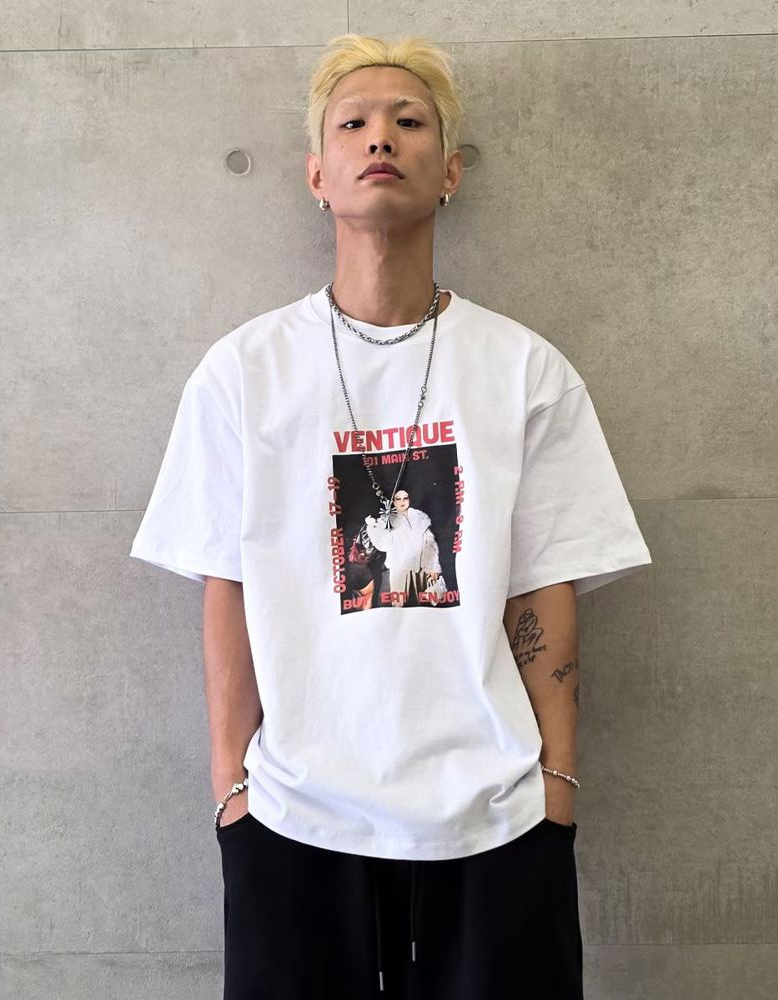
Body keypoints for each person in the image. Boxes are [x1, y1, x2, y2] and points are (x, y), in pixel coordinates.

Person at [129, 32, 653, 1000]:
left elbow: (546, 585)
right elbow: (225, 582)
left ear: (449, 172)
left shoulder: (523, 370)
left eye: (409, 121)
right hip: (292, 811)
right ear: (316, 175)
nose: (381, 137)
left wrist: (557, 787)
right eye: (354, 123)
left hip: (495, 812)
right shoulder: (244, 371)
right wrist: (231, 787)